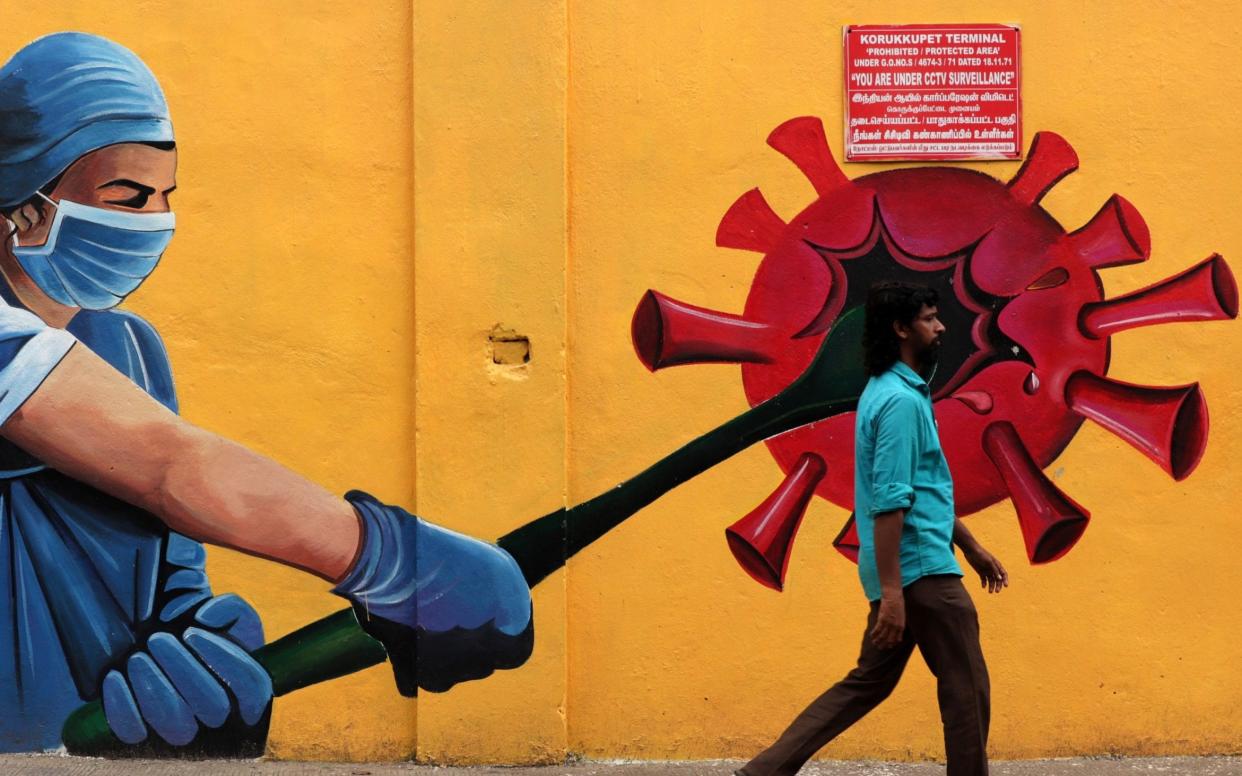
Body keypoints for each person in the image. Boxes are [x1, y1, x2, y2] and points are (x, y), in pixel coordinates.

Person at [0, 32, 532, 753]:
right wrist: (391, 560)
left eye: (165, 197)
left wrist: (193, 666)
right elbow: (167, 467)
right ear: (23, 207)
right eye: (126, 198)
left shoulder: (130, 350)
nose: (153, 221)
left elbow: (168, 564)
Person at [736, 282, 1008, 776]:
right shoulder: (900, 403)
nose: (941, 326)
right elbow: (889, 504)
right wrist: (894, 596)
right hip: (921, 572)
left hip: (908, 569)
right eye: (929, 318)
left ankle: (763, 772)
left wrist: (972, 546)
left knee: (867, 683)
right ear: (901, 329)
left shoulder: (889, 393)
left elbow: (920, 488)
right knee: (967, 690)